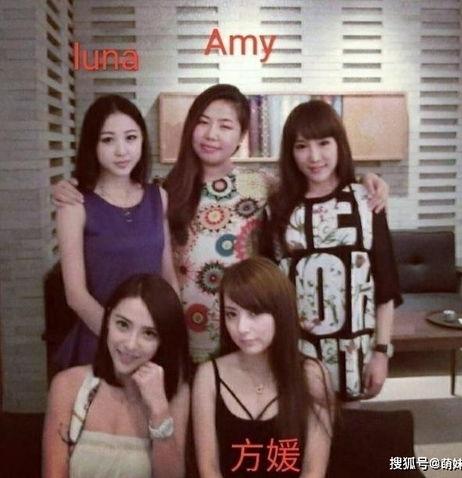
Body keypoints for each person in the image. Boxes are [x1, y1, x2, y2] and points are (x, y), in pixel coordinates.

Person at [52, 86, 389, 365]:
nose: (212, 134)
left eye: (226, 126)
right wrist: (69, 187)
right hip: (177, 329)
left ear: (241, 136)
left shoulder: (261, 184)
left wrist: (364, 181)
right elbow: (118, 200)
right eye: (203, 122)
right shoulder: (165, 190)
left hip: (244, 328)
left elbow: (315, 185)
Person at [264, 100, 402, 402]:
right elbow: (271, 288)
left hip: (356, 350)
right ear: (290, 152)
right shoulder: (277, 208)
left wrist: (381, 352)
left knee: (351, 426)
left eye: (324, 143)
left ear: (339, 144)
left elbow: (386, 285)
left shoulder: (366, 200)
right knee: (303, 424)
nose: (314, 157)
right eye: (302, 146)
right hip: (298, 349)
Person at [55, 94, 179, 368]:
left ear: (143, 140)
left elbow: (168, 275)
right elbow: (76, 295)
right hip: (100, 339)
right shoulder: (74, 204)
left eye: (131, 138)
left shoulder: (159, 196)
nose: (122, 151)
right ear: (93, 145)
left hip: (153, 341)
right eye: (108, 140)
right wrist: (122, 343)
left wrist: (167, 333)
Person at [192, 257, 333, 477]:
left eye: (254, 313)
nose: (241, 328)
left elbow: (313, 471)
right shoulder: (209, 375)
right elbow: (209, 469)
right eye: (231, 314)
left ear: (280, 312)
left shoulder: (312, 374)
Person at [42, 274, 190, 478]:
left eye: (149, 333)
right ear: (108, 321)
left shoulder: (175, 391)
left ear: (164, 340)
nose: (130, 344)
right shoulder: (67, 384)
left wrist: (159, 410)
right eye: (123, 325)